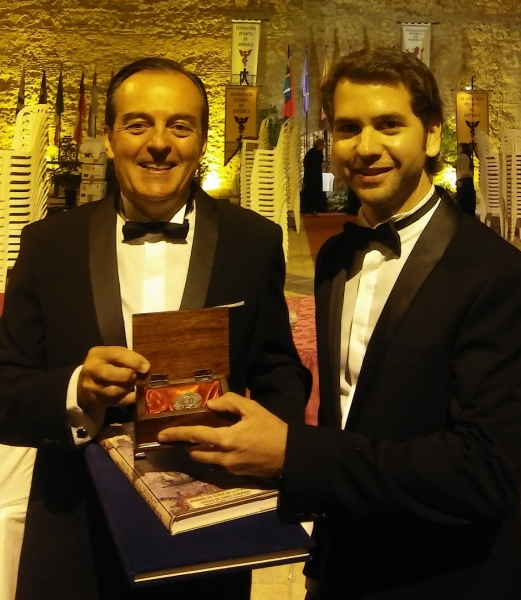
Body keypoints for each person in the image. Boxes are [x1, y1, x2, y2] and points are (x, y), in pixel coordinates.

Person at [158, 47, 521, 600]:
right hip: (344, 569)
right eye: (348, 128)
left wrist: (294, 454)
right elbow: (348, 416)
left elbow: (481, 472)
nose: (366, 147)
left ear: (431, 135)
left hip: (447, 577)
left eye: (388, 124)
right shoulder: (335, 259)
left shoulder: (501, 278)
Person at [0, 57, 310, 600]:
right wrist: (76, 390)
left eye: (180, 126)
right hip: (76, 531)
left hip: (206, 528)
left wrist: (269, 448)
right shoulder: (48, 245)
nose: (159, 143)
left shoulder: (252, 242)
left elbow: (277, 367)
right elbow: (6, 385)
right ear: (109, 136)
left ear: (202, 140)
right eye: (137, 123)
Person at [302, 138, 326, 214]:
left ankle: (308, 208)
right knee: (316, 191)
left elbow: (305, 163)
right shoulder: (319, 154)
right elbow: (318, 165)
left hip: (308, 176)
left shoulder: (309, 152)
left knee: (309, 191)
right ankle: (316, 208)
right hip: (316, 176)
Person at [455, 142, 476, 215]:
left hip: (463, 180)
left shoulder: (462, 156)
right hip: (468, 180)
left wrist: (444, 161)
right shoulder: (468, 157)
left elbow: (456, 164)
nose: (458, 149)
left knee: (462, 202)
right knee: (468, 201)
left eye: (459, 147)